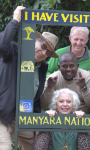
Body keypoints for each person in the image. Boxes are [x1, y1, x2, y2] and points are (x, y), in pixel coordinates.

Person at [0, 6, 58, 150]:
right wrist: (15, 21)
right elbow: (2, 45)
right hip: (2, 113)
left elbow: (36, 101)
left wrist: (35, 124)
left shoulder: (41, 69)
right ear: (34, 40)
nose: (44, 52)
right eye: (43, 45)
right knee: (6, 147)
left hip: (22, 117)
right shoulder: (13, 51)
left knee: (38, 146)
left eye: (48, 53)